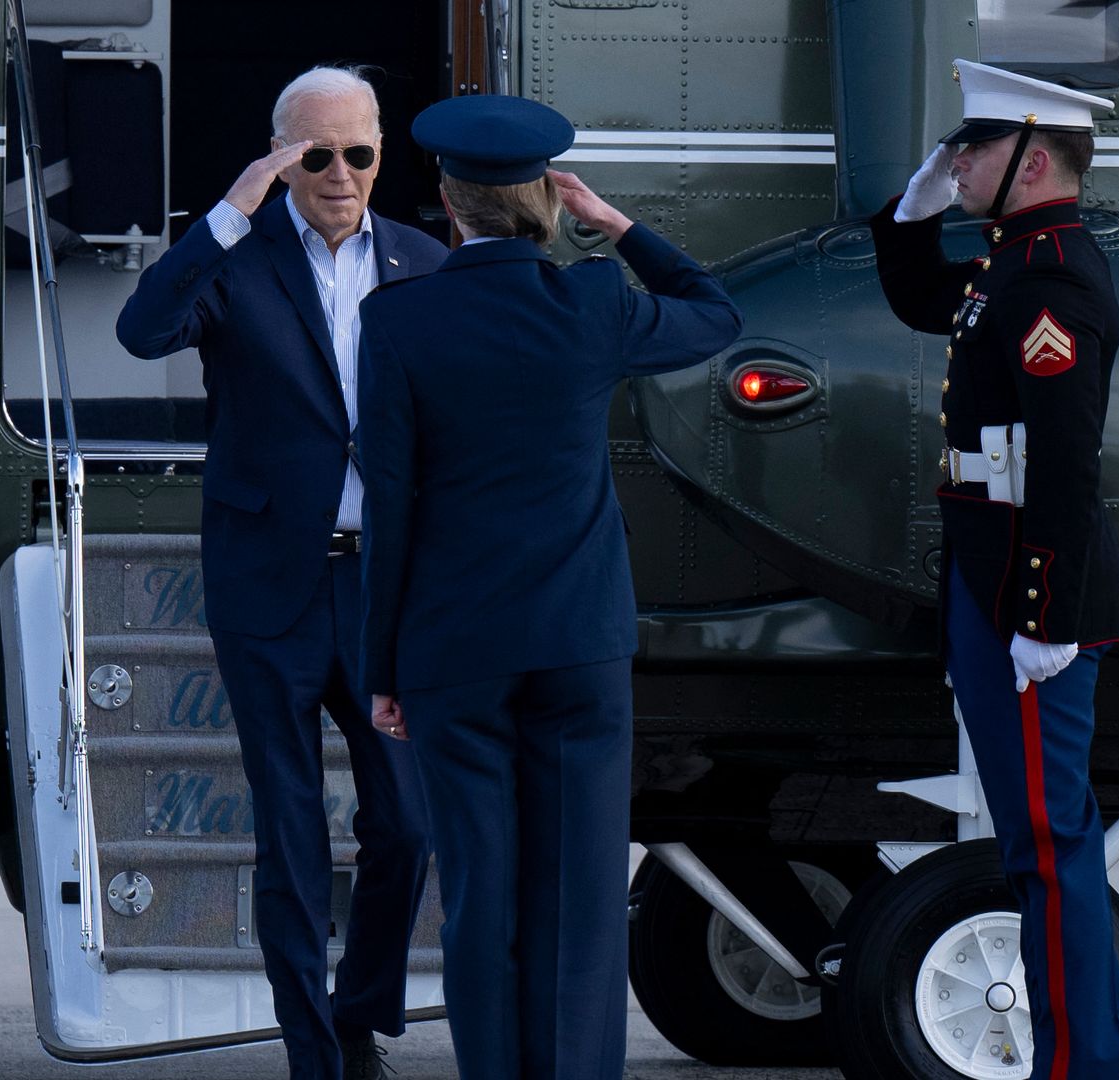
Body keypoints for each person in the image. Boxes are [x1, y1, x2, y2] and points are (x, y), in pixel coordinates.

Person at [356, 95, 741, 1080]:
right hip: (577, 641)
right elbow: (714, 313)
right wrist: (620, 227)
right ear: (545, 198)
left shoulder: (397, 318)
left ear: (448, 201)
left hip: (453, 649)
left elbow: (391, 502)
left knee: (483, 895)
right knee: (576, 902)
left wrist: (384, 664)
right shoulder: (596, 300)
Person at [114, 66, 444, 1080]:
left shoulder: (425, 263)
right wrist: (230, 210)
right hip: (269, 589)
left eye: (359, 153)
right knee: (292, 829)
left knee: (406, 822)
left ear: (383, 156)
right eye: (316, 154)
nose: (340, 173)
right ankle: (313, 1052)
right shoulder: (235, 258)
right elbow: (141, 331)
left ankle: (356, 1008)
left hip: (384, 590)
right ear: (280, 156)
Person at [869, 59, 1119, 1080]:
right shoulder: (1014, 263)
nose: (956, 160)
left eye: (972, 146)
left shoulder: (1054, 277)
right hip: (997, 588)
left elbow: (1064, 463)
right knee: (1044, 845)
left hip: (1028, 599)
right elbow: (923, 301)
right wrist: (911, 213)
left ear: (1031, 156)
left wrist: (1042, 614)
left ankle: (1083, 1070)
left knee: (1046, 847)